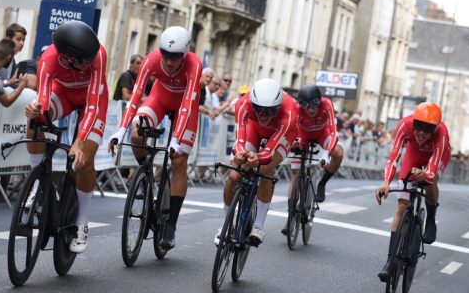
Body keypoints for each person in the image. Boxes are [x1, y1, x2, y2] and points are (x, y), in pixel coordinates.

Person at [108, 26, 202, 251]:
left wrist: (176, 140)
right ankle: (146, 174)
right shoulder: (151, 60)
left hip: (184, 107)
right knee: (136, 130)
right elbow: (137, 94)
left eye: (175, 57)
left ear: (186, 53)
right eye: (166, 55)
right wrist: (120, 130)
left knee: (178, 161)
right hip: (160, 98)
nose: (169, 61)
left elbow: (188, 103)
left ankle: (171, 225)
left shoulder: (194, 64)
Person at [24, 21, 108, 253]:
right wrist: (35, 111)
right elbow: (43, 97)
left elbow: (92, 105)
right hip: (65, 95)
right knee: (35, 118)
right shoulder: (48, 60)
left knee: (83, 160)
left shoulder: (98, 55)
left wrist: (80, 143)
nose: (91, 61)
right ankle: (38, 180)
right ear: (69, 56)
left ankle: (81, 221)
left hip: (93, 100)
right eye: (85, 60)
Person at [216, 78, 298, 247]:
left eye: (269, 111)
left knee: (267, 168)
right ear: (252, 103)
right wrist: (239, 154)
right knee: (234, 174)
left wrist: (259, 158)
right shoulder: (242, 104)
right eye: (258, 109)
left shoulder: (290, 112)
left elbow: (268, 152)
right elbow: (239, 140)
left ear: (278, 107)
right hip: (253, 129)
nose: (262, 114)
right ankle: (226, 225)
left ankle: (258, 226)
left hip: (281, 135)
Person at [375, 102, 451, 282]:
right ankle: (390, 260)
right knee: (402, 205)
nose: (421, 132)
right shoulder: (404, 125)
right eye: (418, 126)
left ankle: (431, 218)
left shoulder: (442, 134)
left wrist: (424, 175)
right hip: (414, 153)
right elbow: (394, 156)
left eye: (428, 129)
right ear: (413, 121)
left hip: (436, 156)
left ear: (435, 128)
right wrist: (386, 182)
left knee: (428, 182)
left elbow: (432, 172)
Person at [280, 84, 343, 234]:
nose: (310, 108)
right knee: (295, 174)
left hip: (323, 134)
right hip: (302, 136)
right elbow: (290, 129)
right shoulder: (296, 109)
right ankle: (290, 218)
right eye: (305, 105)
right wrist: (292, 143)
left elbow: (334, 133)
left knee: (339, 153)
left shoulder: (327, 104)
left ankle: (322, 184)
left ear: (319, 101)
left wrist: (327, 153)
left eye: (314, 103)